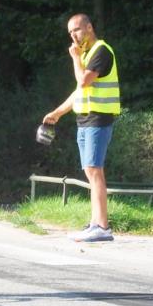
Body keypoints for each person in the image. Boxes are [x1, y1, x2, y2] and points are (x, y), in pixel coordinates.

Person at [42, 13, 121, 243]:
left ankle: (103, 227)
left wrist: (75, 59)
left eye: (76, 29)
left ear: (89, 27)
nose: (74, 36)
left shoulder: (101, 51)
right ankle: (95, 223)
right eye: (70, 32)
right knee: (90, 171)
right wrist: (58, 112)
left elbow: (83, 81)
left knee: (95, 171)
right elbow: (80, 92)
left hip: (99, 119)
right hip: (84, 120)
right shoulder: (86, 54)